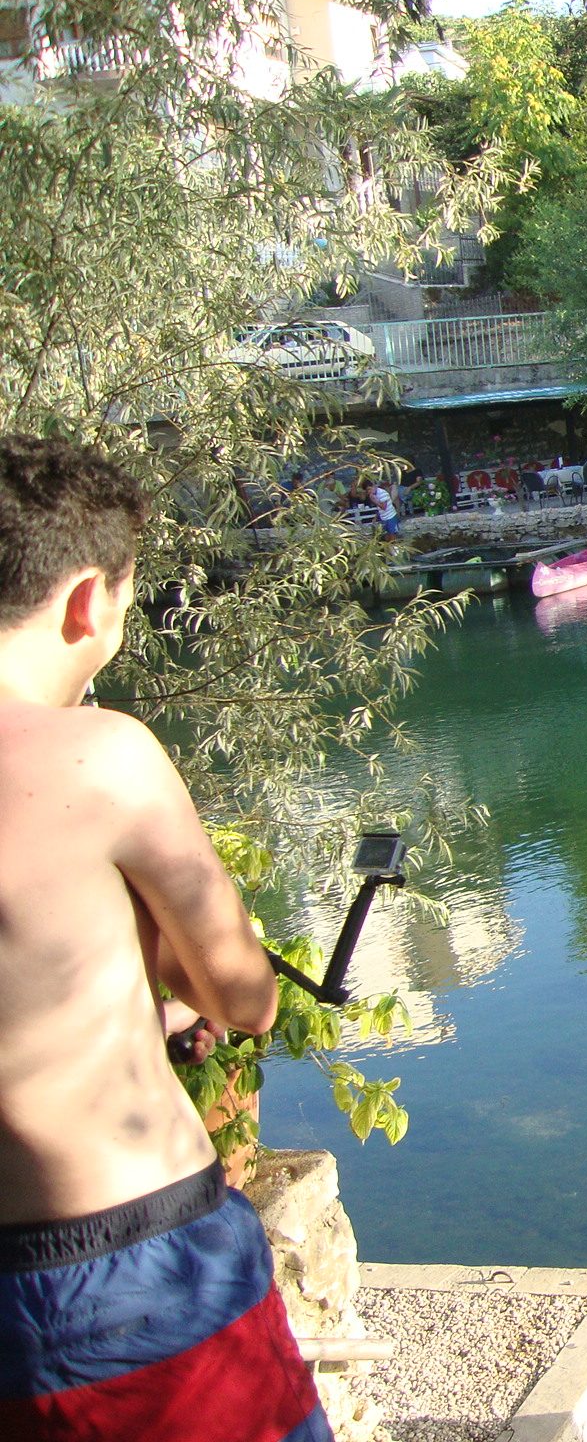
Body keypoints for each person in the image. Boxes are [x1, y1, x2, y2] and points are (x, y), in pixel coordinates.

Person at [0, 436, 324, 1439]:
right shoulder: (102, 759)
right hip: (126, 1273)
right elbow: (243, 996)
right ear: (86, 601)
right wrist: (181, 982)